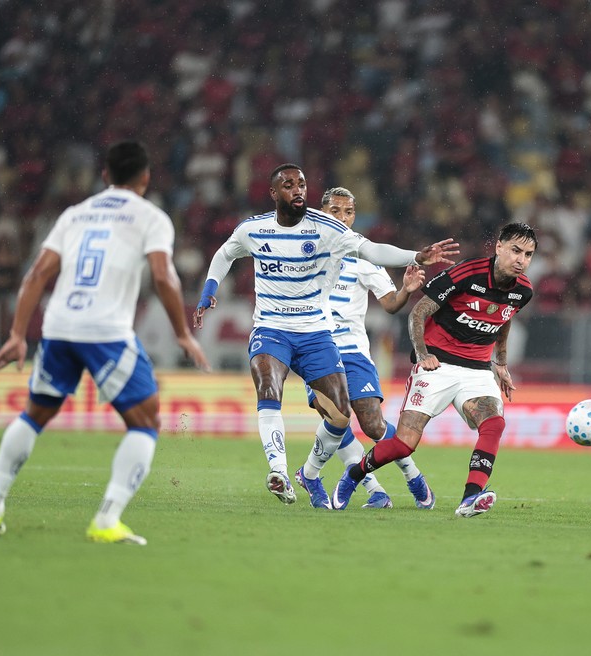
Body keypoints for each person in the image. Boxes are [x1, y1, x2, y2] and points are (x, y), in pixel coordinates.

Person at [0, 141, 210, 545]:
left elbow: (36, 274)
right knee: (146, 421)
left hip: (59, 326)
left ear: (104, 175)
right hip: (106, 332)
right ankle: (107, 518)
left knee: (34, 415)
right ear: (146, 178)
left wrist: (17, 333)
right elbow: (164, 277)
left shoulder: (75, 214)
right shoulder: (151, 218)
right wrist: (183, 333)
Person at [192, 164, 458, 505]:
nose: (297, 189)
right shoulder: (255, 229)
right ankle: (284, 472)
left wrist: (416, 256)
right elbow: (225, 252)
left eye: (302, 183)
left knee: (351, 418)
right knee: (270, 388)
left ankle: (315, 473)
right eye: (289, 185)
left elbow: (374, 253)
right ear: (275, 193)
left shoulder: (333, 234)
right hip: (274, 329)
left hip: (325, 339)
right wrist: (209, 290)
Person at [329, 222, 537, 517]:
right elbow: (419, 311)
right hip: (437, 364)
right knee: (404, 445)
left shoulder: (523, 291)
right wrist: (423, 354)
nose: (521, 260)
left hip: (477, 370)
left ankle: (470, 498)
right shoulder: (468, 273)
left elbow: (506, 316)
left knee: (494, 424)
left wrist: (500, 363)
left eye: (528, 255)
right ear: (499, 247)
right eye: (516, 251)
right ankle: (354, 474)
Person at [295, 186, 435, 510]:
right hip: (316, 346)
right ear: (322, 212)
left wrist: (406, 290)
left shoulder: (363, 254)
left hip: (355, 350)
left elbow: (389, 304)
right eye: (335, 211)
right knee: (338, 415)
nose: (343, 218)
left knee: (372, 422)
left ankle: (409, 475)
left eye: (349, 212)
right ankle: (373, 488)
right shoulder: (305, 251)